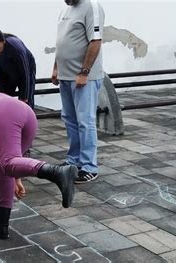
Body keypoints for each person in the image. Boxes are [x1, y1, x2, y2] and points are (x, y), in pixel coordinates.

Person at [0, 92, 77, 240]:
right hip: (27, 113)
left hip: (4, 111)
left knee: (8, 162)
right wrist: (17, 179)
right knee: (7, 168)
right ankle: (2, 224)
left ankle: (57, 172)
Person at [51, 0, 105, 184]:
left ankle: (89, 166)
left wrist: (84, 72)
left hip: (84, 78)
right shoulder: (66, 9)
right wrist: (56, 67)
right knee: (69, 119)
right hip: (66, 76)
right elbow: (62, 42)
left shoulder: (92, 6)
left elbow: (96, 41)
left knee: (85, 121)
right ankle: (74, 160)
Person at [0, 28, 36, 109]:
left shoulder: (17, 49)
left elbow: (25, 75)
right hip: (1, 67)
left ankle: (27, 118)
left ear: (3, 42)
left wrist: (24, 97)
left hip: (24, 67)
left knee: (26, 99)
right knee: (0, 96)